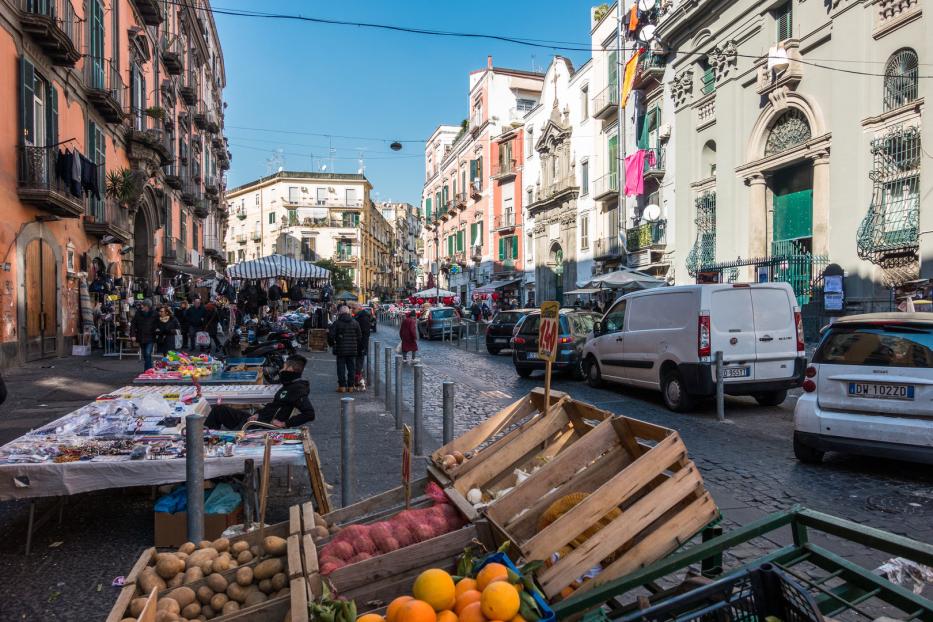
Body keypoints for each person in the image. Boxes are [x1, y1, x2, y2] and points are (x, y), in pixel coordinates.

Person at [205, 355, 315, 430]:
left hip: (260, 426)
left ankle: (204, 443)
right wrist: (258, 414)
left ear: (290, 369)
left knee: (219, 414)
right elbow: (273, 407)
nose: (281, 370)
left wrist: (285, 424)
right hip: (258, 419)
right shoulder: (290, 385)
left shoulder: (297, 389)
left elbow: (309, 414)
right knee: (218, 410)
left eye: (284, 367)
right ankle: (206, 438)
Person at [327, 304, 361, 392]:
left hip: (340, 349)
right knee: (351, 368)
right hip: (352, 350)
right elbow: (359, 336)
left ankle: (342, 386)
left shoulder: (337, 323)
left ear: (340, 313)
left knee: (341, 368)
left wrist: (331, 344)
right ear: (348, 312)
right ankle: (350, 386)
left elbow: (331, 336)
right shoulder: (355, 322)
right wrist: (356, 345)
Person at [130, 299, 158, 371]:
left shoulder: (154, 313)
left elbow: (159, 323)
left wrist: (158, 331)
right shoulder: (138, 313)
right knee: (145, 355)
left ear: (147, 306)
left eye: (143, 305)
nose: (141, 306)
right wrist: (133, 335)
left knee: (148, 353)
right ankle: (149, 368)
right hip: (141, 337)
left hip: (150, 337)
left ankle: (148, 370)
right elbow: (133, 324)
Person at [353, 303, 374, 388]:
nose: (352, 310)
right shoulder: (359, 316)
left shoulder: (363, 317)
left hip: (360, 344)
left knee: (358, 363)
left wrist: (363, 346)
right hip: (358, 344)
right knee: (357, 363)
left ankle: (357, 381)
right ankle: (356, 380)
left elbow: (365, 333)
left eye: (354, 308)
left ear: (359, 308)